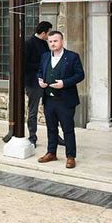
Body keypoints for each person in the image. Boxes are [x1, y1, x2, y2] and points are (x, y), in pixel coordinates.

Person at [37, 31, 85, 169]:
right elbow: (40, 71)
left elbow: (80, 75)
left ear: (62, 41)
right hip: (49, 99)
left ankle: (71, 156)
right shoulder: (45, 56)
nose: (52, 43)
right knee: (51, 128)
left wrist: (64, 83)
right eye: (50, 41)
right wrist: (40, 80)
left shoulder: (72, 57)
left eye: (55, 41)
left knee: (67, 129)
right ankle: (51, 152)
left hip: (65, 100)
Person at [25, 21, 59, 148]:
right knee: (33, 111)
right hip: (33, 83)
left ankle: (55, 137)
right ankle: (32, 137)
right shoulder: (28, 43)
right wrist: (40, 67)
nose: (50, 35)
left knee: (52, 110)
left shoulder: (45, 44)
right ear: (44, 32)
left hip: (46, 82)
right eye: (49, 32)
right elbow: (24, 64)